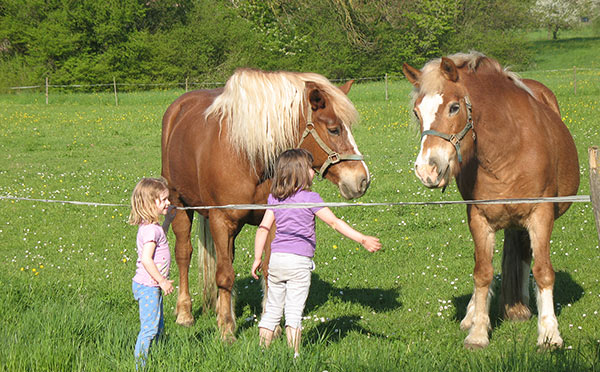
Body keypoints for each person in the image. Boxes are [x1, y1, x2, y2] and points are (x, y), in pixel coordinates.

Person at [251, 149, 381, 357]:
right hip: (298, 264)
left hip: (276, 261)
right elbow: (334, 222)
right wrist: (362, 238)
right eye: (310, 168)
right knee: (293, 312)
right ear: (301, 172)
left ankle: (262, 352)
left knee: (273, 309)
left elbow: (263, 229)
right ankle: (294, 356)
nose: (314, 171)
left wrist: (258, 257)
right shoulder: (311, 198)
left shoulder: (275, 199)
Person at [129, 177, 175, 369]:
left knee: (158, 325)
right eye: (163, 200)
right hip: (149, 286)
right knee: (149, 329)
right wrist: (162, 281)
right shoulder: (150, 231)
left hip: (151, 285)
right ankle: (140, 366)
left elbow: (160, 237)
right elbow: (147, 259)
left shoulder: (152, 227)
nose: (168, 202)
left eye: (167, 199)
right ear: (150, 204)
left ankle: (155, 356)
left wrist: (168, 221)